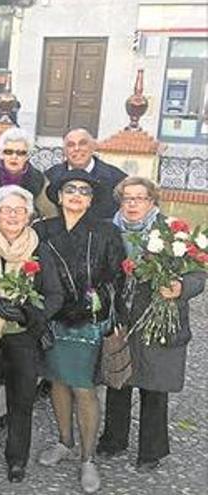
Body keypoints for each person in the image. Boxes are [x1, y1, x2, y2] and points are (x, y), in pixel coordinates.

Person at [97, 177, 206, 471]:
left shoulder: (172, 232)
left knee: (154, 386)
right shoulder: (109, 229)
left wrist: (180, 287)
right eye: (126, 198)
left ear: (152, 202)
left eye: (139, 198)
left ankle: (151, 451)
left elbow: (198, 276)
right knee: (118, 380)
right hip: (122, 316)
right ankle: (113, 440)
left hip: (158, 319)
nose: (132, 204)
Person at [34, 169, 127, 494]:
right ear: (58, 197)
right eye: (69, 189)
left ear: (91, 200)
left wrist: (91, 304)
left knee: (84, 388)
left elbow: (117, 278)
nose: (76, 194)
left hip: (88, 320)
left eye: (83, 191)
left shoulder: (106, 233)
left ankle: (88, 459)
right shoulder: (42, 230)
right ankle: (64, 442)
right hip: (52, 317)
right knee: (57, 380)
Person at [0, 185, 63, 483]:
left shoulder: (40, 249)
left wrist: (27, 313)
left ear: (29, 216)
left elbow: (54, 295)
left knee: (22, 399)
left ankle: (17, 458)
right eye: (6, 210)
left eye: (18, 210)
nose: (12, 215)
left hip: (23, 336)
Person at [44, 128, 127, 220]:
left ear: (93, 146)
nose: (77, 148)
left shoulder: (117, 179)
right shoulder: (50, 177)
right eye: (71, 145)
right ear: (64, 150)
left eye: (82, 143)